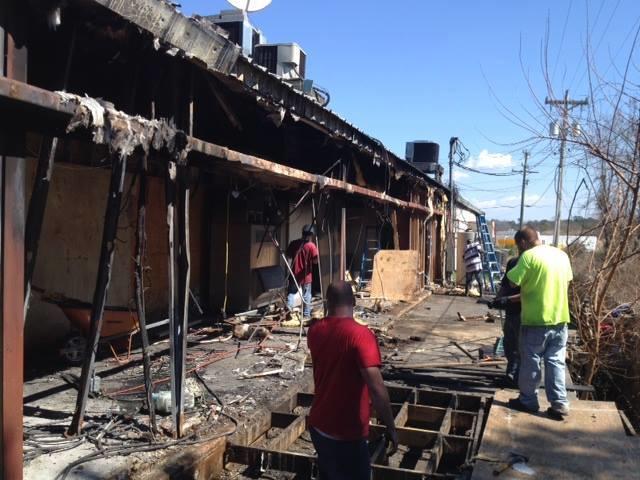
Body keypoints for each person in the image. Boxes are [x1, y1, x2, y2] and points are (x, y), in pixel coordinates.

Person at [307, 281, 398, 479]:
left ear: (327, 302)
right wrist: (390, 426)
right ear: (354, 301)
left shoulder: (314, 331)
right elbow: (377, 388)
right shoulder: (361, 336)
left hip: (318, 426)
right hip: (347, 433)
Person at [506, 226, 573, 420]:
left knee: (531, 362)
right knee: (555, 362)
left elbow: (512, 282)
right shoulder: (561, 256)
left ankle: (528, 401)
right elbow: (566, 281)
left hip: (536, 320)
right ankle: (559, 404)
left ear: (524, 243)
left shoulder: (528, 256)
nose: (519, 251)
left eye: (519, 247)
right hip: (560, 319)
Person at [493, 251, 522, 387]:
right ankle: (511, 375)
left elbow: (527, 293)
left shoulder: (534, 265)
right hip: (511, 312)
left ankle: (519, 379)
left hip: (526, 313)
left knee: (521, 347)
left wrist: (506, 299)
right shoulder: (513, 262)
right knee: (510, 344)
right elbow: (505, 285)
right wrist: (497, 300)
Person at [286, 225, 319, 318]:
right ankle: (306, 315)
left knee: (291, 293)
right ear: (311, 235)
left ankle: (288, 312)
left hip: (294, 273)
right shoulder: (311, 246)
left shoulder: (293, 243)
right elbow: (315, 261)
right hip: (306, 276)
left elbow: (288, 256)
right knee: (307, 295)